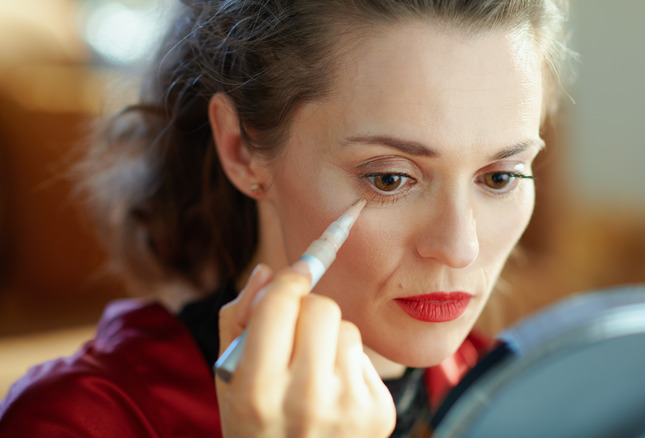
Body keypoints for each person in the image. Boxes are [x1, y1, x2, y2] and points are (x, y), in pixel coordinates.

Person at [0, 0, 571, 436]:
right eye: (390, 178)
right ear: (242, 150)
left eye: (499, 177)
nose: (459, 247)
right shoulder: (82, 420)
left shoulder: (526, 401)